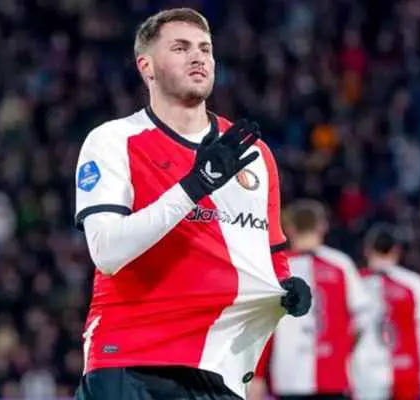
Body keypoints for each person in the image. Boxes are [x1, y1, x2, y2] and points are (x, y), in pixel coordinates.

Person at [73, 7, 311, 400]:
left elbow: (271, 251)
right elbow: (107, 252)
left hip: (219, 368)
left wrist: (286, 287)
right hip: (131, 358)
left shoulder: (254, 154)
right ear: (146, 66)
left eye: (205, 48)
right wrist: (195, 185)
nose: (198, 57)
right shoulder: (113, 140)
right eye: (181, 48)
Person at [249, 200, 373, 400]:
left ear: (289, 228)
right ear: (322, 226)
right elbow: (361, 323)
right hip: (334, 377)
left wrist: (258, 375)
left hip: (289, 377)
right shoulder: (341, 265)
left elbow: (262, 327)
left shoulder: (276, 268)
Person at [354, 224, 420, 400]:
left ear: (366, 250)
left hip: (365, 376)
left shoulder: (355, 283)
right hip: (406, 373)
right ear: (397, 250)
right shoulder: (415, 285)